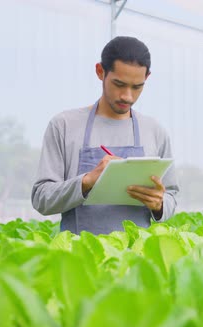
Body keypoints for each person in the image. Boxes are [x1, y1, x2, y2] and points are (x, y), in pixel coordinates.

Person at [31, 36, 179, 235]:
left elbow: (171, 195)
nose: (127, 96)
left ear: (147, 78)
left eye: (137, 87)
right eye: (119, 84)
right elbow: (41, 199)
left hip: (137, 260)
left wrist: (159, 204)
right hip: (81, 257)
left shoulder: (154, 131)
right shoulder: (64, 125)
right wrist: (87, 181)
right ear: (100, 72)